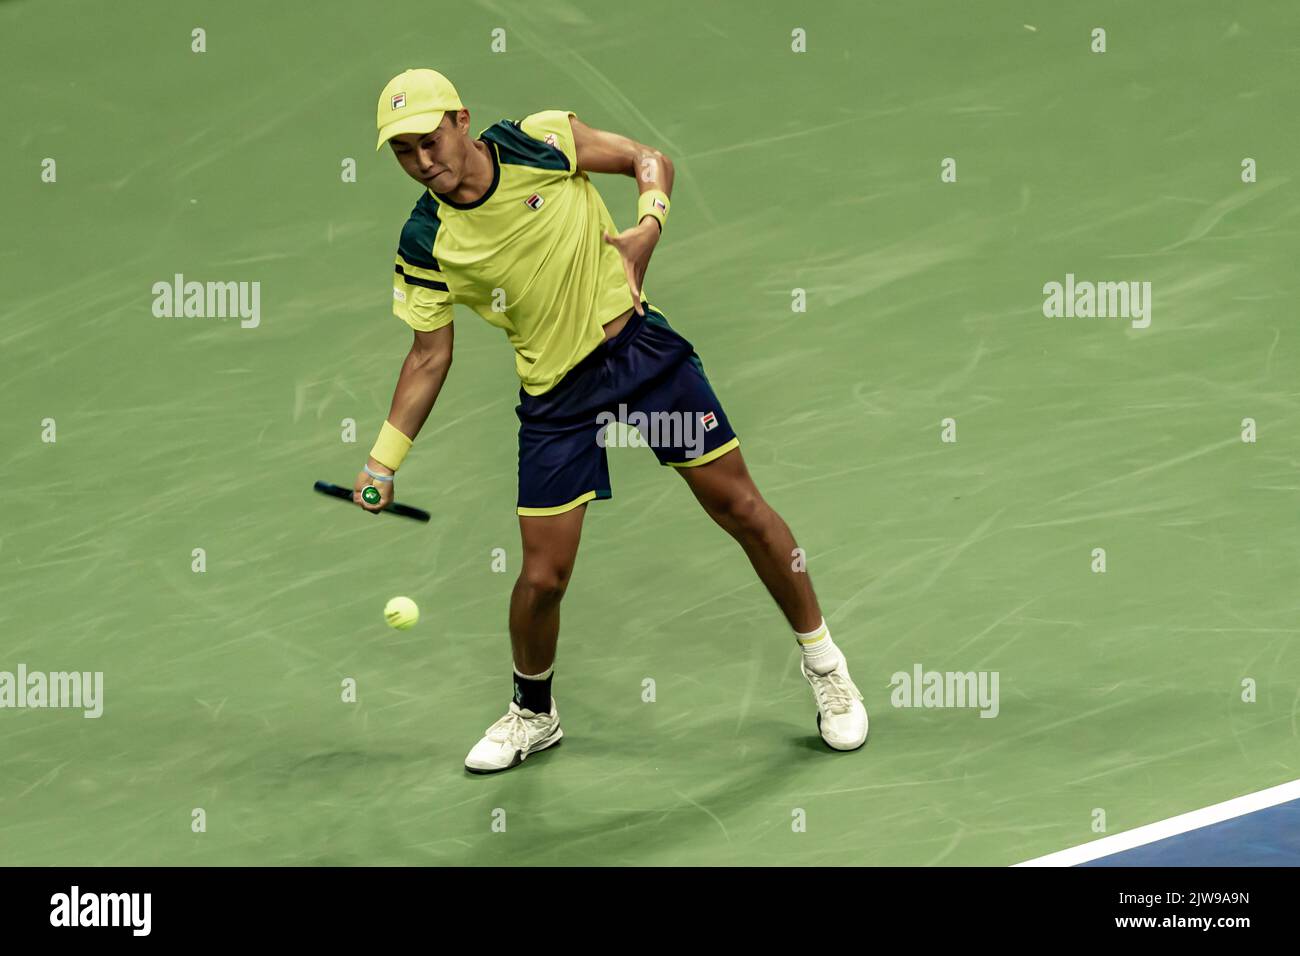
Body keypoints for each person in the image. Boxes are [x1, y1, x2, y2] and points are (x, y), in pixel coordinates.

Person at [358, 68, 867, 773]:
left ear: (462, 121)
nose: (423, 161)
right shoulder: (426, 241)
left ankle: (826, 667)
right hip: (557, 403)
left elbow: (646, 158)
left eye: (429, 139)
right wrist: (383, 460)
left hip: (641, 360)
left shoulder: (540, 141)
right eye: (404, 153)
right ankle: (533, 715)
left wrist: (647, 227)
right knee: (542, 578)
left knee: (741, 508)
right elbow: (427, 356)